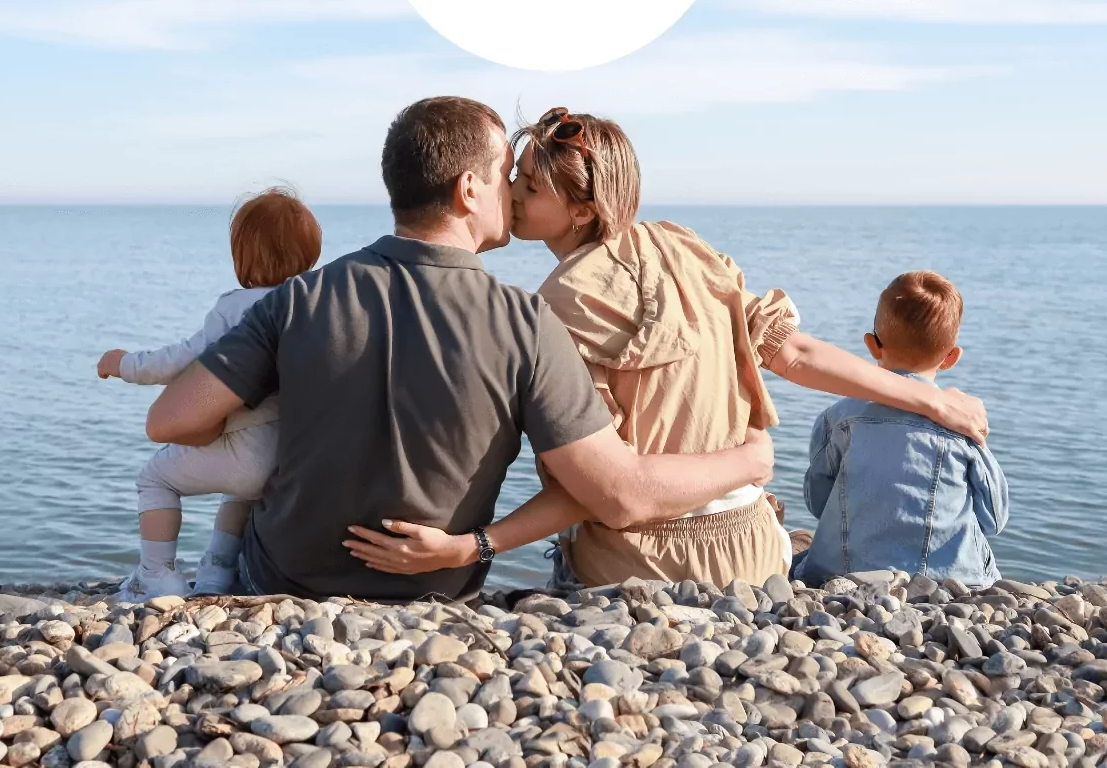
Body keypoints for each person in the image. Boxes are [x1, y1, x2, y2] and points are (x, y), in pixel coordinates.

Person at [140, 96, 778, 603]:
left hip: (284, 587)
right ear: (470, 190)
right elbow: (620, 493)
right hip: (434, 592)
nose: (515, 193)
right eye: (507, 177)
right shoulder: (525, 320)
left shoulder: (299, 298)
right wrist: (749, 459)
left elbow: (170, 420)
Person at [343, 108, 991, 591]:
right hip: (753, 551)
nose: (509, 191)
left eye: (531, 186)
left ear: (580, 210)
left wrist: (475, 546)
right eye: (514, 176)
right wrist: (930, 401)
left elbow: (610, 494)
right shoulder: (687, 246)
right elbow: (792, 351)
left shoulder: (565, 300)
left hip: (643, 569)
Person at [97, 186, 322, 600]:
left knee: (156, 478)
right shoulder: (313, 307)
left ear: (243, 254)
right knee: (241, 494)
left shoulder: (235, 307)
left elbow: (184, 361)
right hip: (293, 458)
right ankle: (218, 572)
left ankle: (157, 574)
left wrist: (124, 363)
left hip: (244, 449)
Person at [792, 271, 1009, 587]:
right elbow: (994, 519)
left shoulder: (837, 418)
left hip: (841, 572)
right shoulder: (963, 422)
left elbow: (818, 502)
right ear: (951, 357)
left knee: (801, 547)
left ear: (872, 345)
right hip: (949, 581)